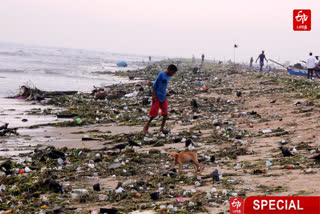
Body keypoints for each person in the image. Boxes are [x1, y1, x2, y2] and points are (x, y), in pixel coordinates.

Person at [143, 64, 178, 133]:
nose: (173, 74)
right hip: (157, 96)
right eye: (173, 72)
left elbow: (163, 86)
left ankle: (161, 128)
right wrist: (153, 95)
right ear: (169, 70)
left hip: (163, 96)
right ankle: (147, 124)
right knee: (154, 114)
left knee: (165, 114)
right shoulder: (161, 74)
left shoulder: (169, 77)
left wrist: (166, 92)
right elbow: (154, 85)